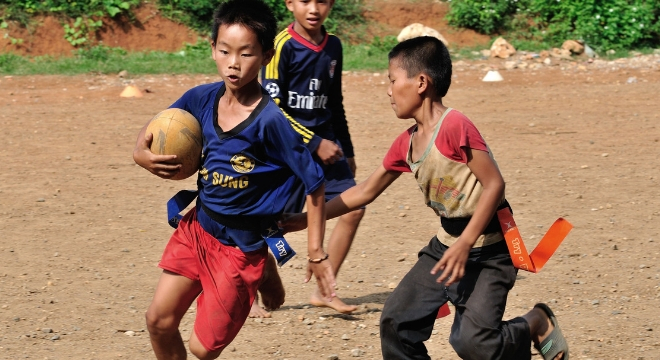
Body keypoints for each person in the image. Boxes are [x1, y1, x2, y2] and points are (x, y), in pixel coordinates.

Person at [282, 36, 569, 360]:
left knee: (473, 343)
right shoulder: (406, 143)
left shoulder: (454, 126)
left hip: (490, 249)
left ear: (421, 82)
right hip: (446, 245)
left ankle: (534, 321)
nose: (389, 90)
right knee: (396, 322)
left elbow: (494, 185)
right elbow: (364, 192)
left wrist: (466, 244)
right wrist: (304, 220)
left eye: (393, 80)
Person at [132, 1, 337, 358]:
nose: (233, 63)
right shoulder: (200, 98)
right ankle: (265, 267)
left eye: (246, 53)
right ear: (212, 48)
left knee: (202, 349)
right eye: (225, 51)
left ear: (266, 55)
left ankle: (265, 267)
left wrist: (316, 251)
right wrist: (140, 154)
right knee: (158, 321)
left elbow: (315, 182)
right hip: (198, 228)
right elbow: (155, 127)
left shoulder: (270, 121)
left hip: (240, 250)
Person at [253, 0, 363, 316]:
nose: (314, 8)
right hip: (286, 147)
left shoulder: (335, 47)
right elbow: (270, 108)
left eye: (323, 1)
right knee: (268, 223)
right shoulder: (279, 45)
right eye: (305, 1)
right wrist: (314, 142)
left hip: (328, 145)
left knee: (355, 208)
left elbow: (336, 102)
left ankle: (326, 291)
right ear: (289, 3)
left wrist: (348, 148)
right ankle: (247, 291)